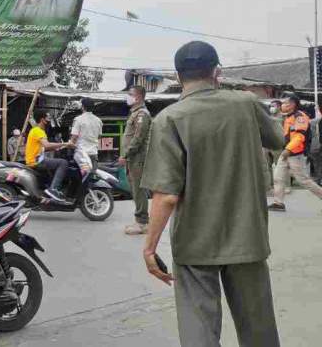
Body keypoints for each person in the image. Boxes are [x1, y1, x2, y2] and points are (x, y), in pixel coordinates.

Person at [141, 41, 283, 346]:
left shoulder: (169, 119)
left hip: (195, 243)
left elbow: (165, 195)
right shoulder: (245, 104)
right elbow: (278, 140)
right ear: (217, 71)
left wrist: (150, 248)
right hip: (248, 237)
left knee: (199, 331)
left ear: (178, 76)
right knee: (259, 330)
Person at [269, 93, 322, 211]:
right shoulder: (288, 117)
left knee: (303, 180)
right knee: (278, 177)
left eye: (285, 103)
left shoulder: (300, 117)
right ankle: (278, 203)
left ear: (293, 104)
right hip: (286, 153)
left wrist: (288, 150)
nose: (283, 105)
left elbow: (299, 137)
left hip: (294, 154)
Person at [119, 85, 152, 236]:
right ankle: (140, 220)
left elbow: (138, 138)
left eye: (130, 94)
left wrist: (125, 154)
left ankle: (143, 223)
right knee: (135, 189)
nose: (128, 97)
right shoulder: (135, 113)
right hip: (132, 158)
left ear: (138, 97)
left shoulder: (142, 115)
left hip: (137, 158)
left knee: (139, 190)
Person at [25, 109, 69, 203]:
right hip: (36, 161)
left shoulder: (37, 130)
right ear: (42, 120)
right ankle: (52, 189)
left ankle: (50, 191)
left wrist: (60, 147)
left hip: (37, 159)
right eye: (48, 117)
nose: (49, 119)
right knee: (63, 163)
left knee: (55, 162)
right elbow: (47, 145)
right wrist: (65, 144)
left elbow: (44, 148)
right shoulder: (38, 131)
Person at [69, 97, 103, 173]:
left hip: (82, 155)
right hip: (94, 154)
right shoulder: (98, 120)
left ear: (82, 107)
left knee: (83, 178)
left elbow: (74, 137)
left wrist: (69, 144)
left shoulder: (78, 119)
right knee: (92, 177)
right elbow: (99, 136)